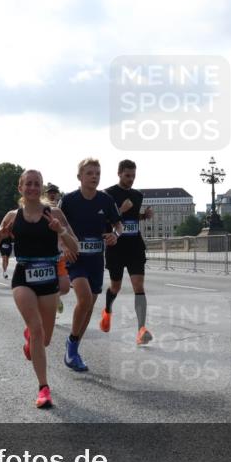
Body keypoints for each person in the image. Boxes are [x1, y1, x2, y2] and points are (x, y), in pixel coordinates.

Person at [0, 169, 79, 408]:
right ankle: (43, 388)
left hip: (48, 277)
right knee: (37, 329)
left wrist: (60, 231)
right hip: (23, 277)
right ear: (21, 188)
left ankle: (30, 341)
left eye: (37, 184)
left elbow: (75, 246)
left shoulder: (54, 213)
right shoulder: (12, 215)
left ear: (41, 187)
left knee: (45, 339)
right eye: (28, 184)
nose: (32, 188)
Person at [58, 158, 122, 371]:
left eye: (97, 173)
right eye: (89, 173)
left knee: (88, 306)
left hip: (96, 259)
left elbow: (119, 225)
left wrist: (115, 235)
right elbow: (56, 227)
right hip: (76, 259)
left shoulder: (105, 200)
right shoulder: (68, 200)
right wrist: (64, 246)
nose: (94, 176)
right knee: (84, 299)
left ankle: (73, 346)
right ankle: (72, 347)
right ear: (80, 177)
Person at [101, 159, 154, 345]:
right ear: (119, 173)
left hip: (135, 246)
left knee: (138, 286)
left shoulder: (137, 195)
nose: (131, 179)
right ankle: (107, 310)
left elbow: (133, 216)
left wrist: (143, 216)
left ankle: (141, 329)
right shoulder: (107, 194)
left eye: (133, 176)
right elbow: (104, 220)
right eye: (127, 175)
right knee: (115, 286)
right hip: (116, 246)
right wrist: (119, 210)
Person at [45, 184, 69, 314]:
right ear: (46, 194)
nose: (52, 194)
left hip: (59, 251)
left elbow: (67, 230)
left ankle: (56, 297)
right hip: (44, 253)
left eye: (55, 192)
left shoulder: (62, 209)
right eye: (50, 192)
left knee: (65, 287)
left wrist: (67, 246)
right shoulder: (41, 209)